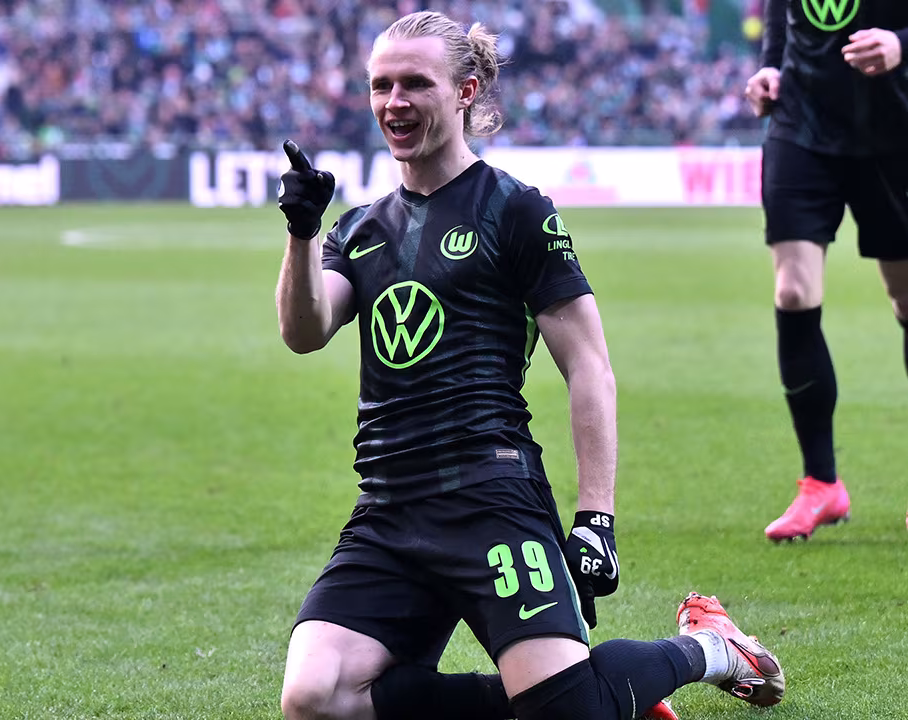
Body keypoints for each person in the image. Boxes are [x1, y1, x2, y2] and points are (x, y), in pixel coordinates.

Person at [274, 10, 785, 720]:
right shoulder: (358, 228)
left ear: (465, 91)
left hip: (490, 495)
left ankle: (708, 648)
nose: (395, 102)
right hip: (389, 507)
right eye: (381, 85)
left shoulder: (514, 209)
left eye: (415, 84)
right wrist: (302, 233)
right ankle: (564, 696)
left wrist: (596, 517)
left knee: (568, 713)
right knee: (314, 699)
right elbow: (304, 331)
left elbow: (588, 365)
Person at [745, 0, 908, 542]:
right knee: (793, 290)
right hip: (800, 121)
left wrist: (905, 42)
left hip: (891, 127)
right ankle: (821, 482)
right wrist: (771, 65)